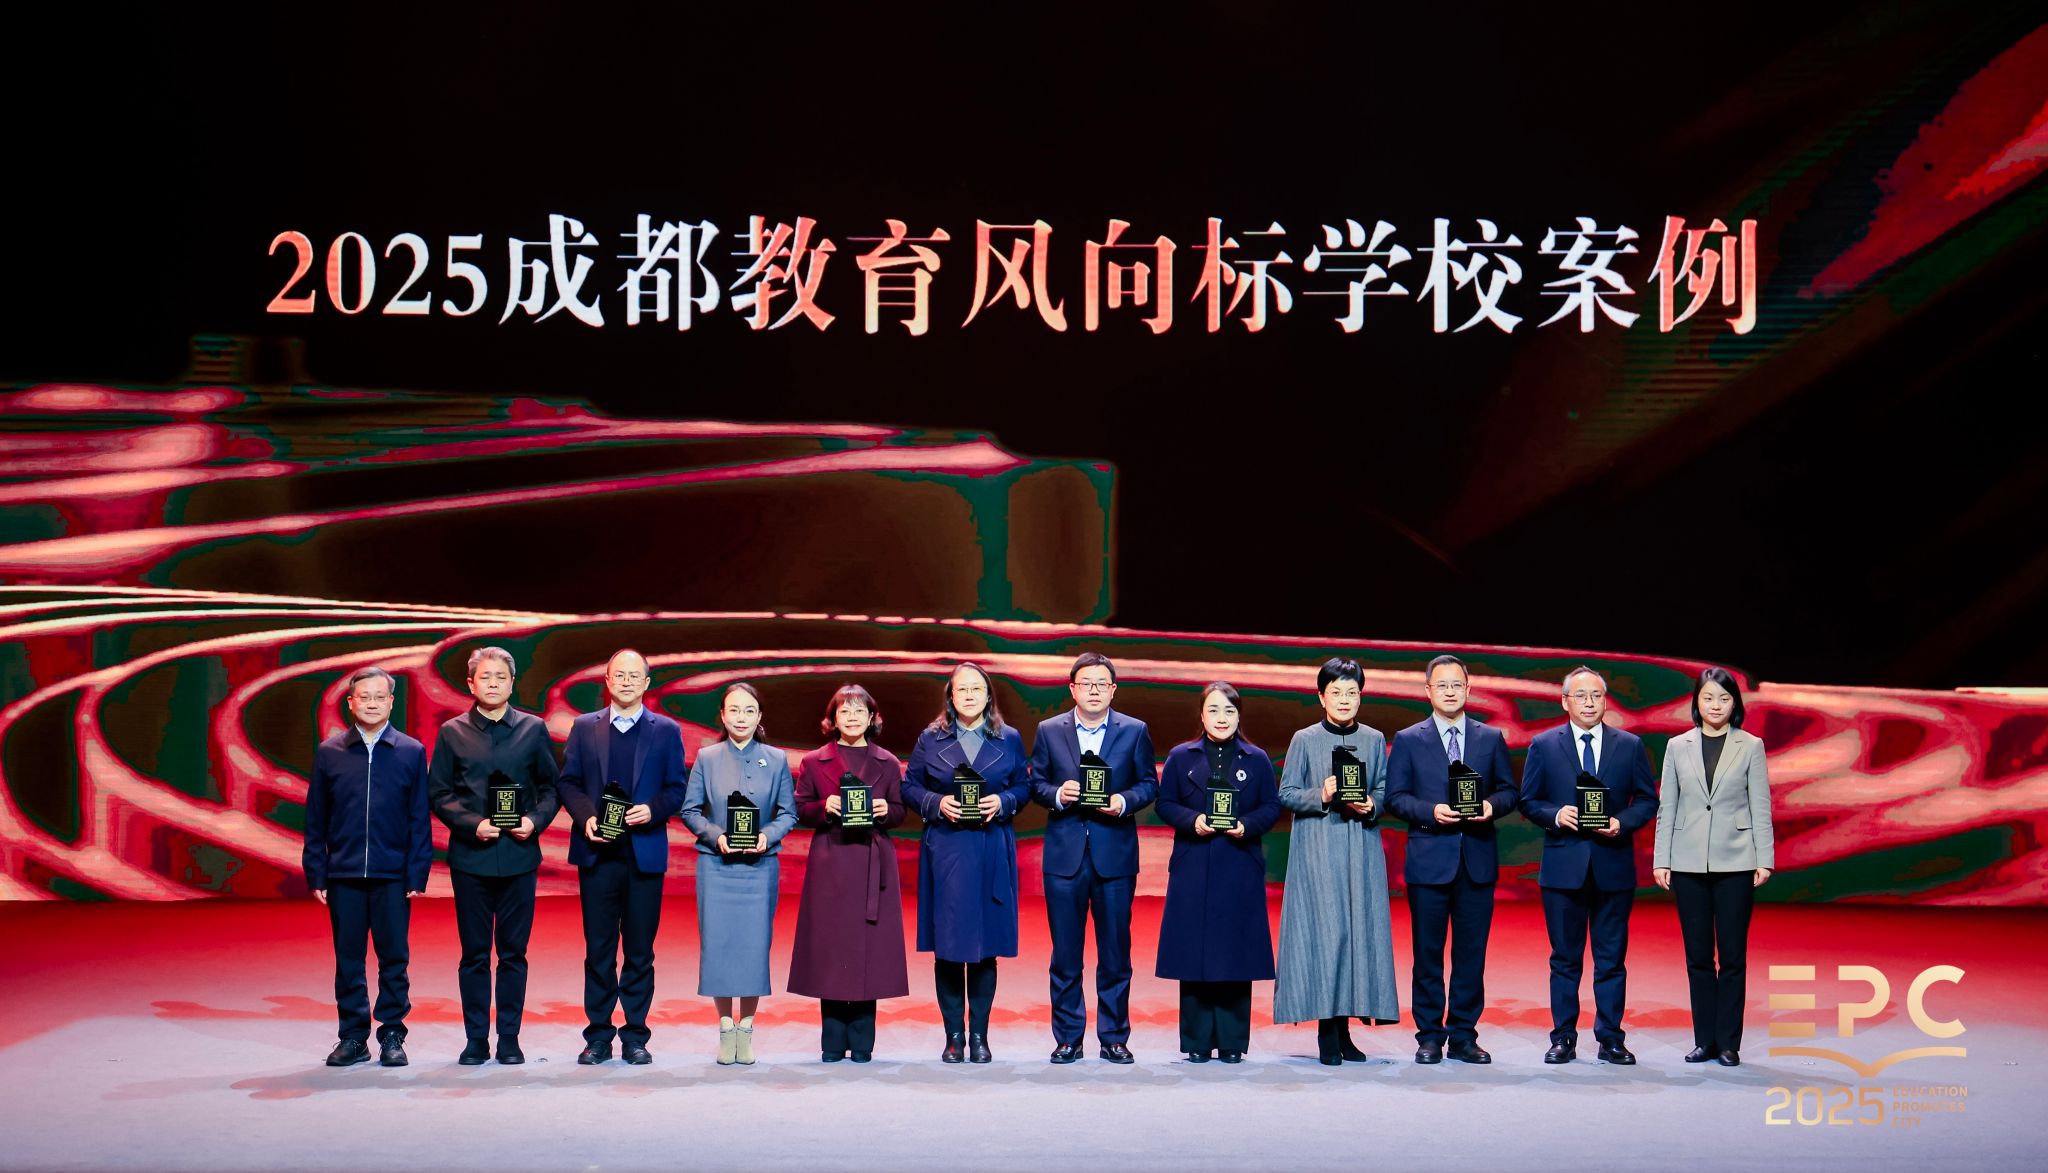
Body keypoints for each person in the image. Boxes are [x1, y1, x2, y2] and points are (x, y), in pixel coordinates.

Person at [1518, 665, 1659, 1065]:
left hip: (1613, 866)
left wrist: (1622, 822)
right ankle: (1563, 1037)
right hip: (1564, 868)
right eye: (1580, 696)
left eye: (1596, 695)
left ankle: (1611, 1038)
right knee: (1565, 958)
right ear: (1565, 702)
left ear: (1605, 701)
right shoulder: (1544, 745)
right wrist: (1555, 814)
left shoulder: (1629, 745)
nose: (1589, 703)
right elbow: (1528, 800)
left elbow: (1647, 799)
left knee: (1611, 960)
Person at [427, 645, 561, 1066]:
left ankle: (508, 1038)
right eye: (484, 677)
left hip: (519, 856)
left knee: (514, 953)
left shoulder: (533, 729)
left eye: (500, 677)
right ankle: (475, 1039)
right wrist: (472, 824)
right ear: (470, 684)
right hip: (472, 858)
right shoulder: (452, 732)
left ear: (512, 683)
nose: (493, 684)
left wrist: (534, 821)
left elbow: (551, 788)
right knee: (474, 954)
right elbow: (439, 793)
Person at [555, 649, 688, 1066]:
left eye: (635, 675)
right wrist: (586, 818)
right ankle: (598, 1036)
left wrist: (653, 810)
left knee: (640, 951)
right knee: (598, 950)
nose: (627, 681)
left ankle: (635, 1036)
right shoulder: (584, 727)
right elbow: (569, 782)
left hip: (643, 855)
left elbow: (677, 788)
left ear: (647, 683)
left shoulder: (666, 730)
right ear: (607, 681)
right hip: (598, 855)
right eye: (619, 675)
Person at [1385, 654, 1518, 1065]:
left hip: (1476, 860)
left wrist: (1491, 807)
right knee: (1427, 955)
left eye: (1456, 685)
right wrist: (1431, 812)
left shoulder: (1490, 737)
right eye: (1441, 685)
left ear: (1468, 689)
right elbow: (1395, 798)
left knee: (1470, 956)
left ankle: (1463, 1035)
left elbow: (1510, 792)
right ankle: (1429, 1036)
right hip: (1429, 861)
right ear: (1428, 691)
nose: (1449, 692)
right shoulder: (1409, 739)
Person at [1028, 652, 1158, 1064]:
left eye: (1102, 684)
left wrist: (1122, 801)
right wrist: (1057, 794)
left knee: (1115, 954)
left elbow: (1148, 784)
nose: (1094, 690)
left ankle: (1114, 1037)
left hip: (1114, 855)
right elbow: (1036, 784)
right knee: (1065, 954)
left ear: (1113, 690)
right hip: (1064, 857)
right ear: (1073, 689)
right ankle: (1068, 1037)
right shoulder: (1050, 731)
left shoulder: (1134, 730)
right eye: (1086, 683)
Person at [901, 661, 1031, 1064]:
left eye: (977, 688)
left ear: (988, 695)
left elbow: (1024, 786)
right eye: (962, 689)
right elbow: (910, 787)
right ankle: (954, 1037)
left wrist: (1003, 802)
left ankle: (979, 1036)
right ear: (951, 696)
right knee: (949, 946)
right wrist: (937, 803)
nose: (970, 695)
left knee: (985, 947)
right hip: (948, 849)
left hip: (992, 847)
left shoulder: (1008, 737)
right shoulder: (931, 738)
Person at [1274, 657, 1401, 1064]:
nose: (1344, 700)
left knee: (1357, 936)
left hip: (1360, 848)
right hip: (1318, 850)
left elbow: (1384, 790)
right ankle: (1327, 1030)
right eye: (1336, 692)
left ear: (1361, 697)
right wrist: (1322, 794)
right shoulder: (1304, 739)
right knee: (1327, 936)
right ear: (1321, 697)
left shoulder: (1374, 739)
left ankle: (1345, 1029)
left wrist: (1372, 804)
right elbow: (1287, 793)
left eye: (1352, 692)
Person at [303, 665, 432, 1067]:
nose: (372, 704)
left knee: (394, 958)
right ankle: (353, 1037)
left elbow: (419, 817)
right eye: (364, 697)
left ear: (391, 702)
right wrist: (316, 870)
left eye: (380, 697)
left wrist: (417, 871)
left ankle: (392, 1034)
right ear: (350, 702)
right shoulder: (330, 752)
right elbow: (316, 817)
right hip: (343, 874)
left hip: (392, 874)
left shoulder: (410, 751)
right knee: (349, 960)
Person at [1653, 667, 1775, 1067]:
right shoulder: (1677, 746)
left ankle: (1728, 1043)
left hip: (1737, 861)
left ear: (1734, 704)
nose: (1716, 705)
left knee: (1733, 957)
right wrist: (1662, 859)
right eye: (1708, 698)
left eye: (1724, 698)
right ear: (1697, 702)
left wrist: (1764, 858)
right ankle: (1704, 1039)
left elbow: (1760, 805)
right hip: (1687, 862)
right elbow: (1668, 806)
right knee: (1698, 957)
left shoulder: (1750, 746)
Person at [1154, 682, 1281, 1063]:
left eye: (1229, 710)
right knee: (1193, 952)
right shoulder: (1181, 757)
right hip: (1193, 863)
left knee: (1235, 953)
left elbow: (1271, 807)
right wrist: (1192, 820)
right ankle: (1196, 1041)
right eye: (1213, 710)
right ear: (1202, 715)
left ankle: (1231, 1042)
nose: (1221, 718)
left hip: (1239, 863)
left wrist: (1247, 825)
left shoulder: (1257, 759)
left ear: (1239, 716)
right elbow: (1164, 803)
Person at [788, 684, 910, 1063]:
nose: (852, 717)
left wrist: (884, 811)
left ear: (872, 718)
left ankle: (861, 1042)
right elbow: (800, 809)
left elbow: (900, 810)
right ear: (833, 719)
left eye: (860, 711)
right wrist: (824, 806)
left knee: (867, 952)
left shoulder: (888, 762)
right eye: (845, 711)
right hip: (832, 861)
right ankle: (831, 1041)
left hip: (873, 861)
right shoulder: (814, 761)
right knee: (831, 950)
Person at [681, 682, 798, 1065]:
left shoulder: (776, 759)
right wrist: (716, 837)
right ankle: (724, 1027)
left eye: (749, 711)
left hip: (759, 868)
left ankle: (746, 1028)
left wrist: (767, 836)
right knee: (718, 946)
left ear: (759, 716)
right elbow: (690, 810)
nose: (741, 718)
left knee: (753, 948)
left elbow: (789, 813)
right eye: (734, 710)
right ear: (722, 715)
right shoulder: (707, 757)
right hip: (716, 866)